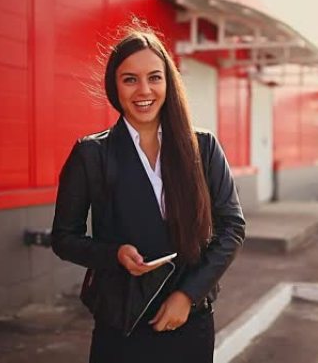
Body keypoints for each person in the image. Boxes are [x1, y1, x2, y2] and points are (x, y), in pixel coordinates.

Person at [50, 23, 245, 363]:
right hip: (122, 321)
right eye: (130, 79)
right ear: (115, 85)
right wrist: (113, 254)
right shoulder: (91, 154)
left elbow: (232, 227)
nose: (144, 90)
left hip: (190, 320)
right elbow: (64, 238)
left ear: (169, 82)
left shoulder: (203, 147)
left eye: (155, 77)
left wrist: (188, 295)